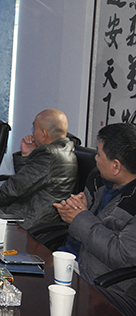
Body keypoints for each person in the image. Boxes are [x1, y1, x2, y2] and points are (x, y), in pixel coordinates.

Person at [54, 123, 136, 315]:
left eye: (99, 154)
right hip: (72, 263)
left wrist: (81, 217)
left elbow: (123, 256)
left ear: (116, 166)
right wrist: (73, 209)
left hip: (104, 286)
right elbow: (83, 222)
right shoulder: (99, 179)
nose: (95, 158)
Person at [0, 109, 78, 229]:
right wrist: (26, 156)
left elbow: (15, 187)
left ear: (44, 134)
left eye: (34, 128)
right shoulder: (64, 150)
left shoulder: (49, 155)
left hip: (29, 221)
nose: (32, 132)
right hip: (33, 212)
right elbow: (27, 182)